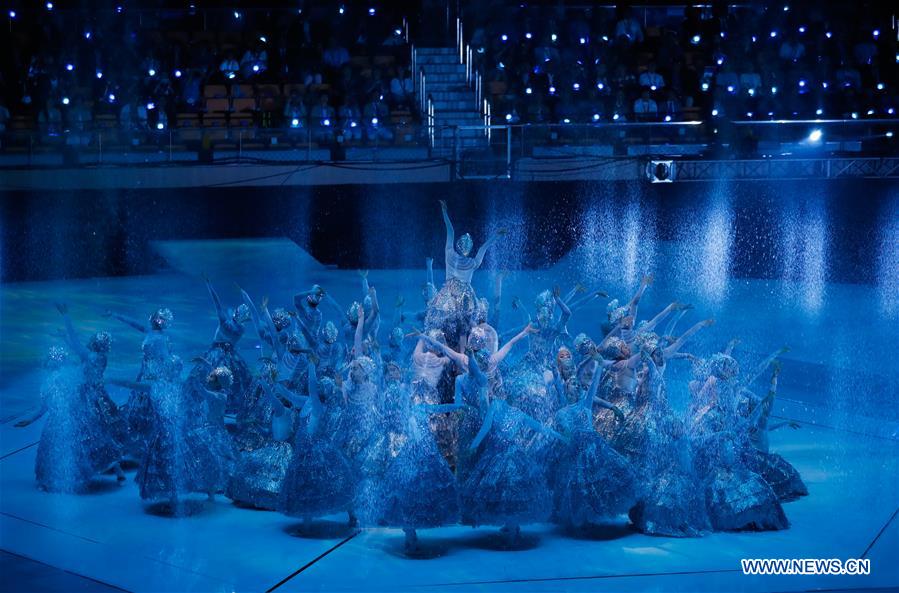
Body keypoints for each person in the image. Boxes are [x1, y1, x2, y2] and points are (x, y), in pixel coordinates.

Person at [18, 306, 126, 492]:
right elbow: (76, 353)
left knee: (89, 435)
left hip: (87, 401)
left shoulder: (91, 358)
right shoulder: (99, 357)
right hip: (91, 397)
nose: (89, 341)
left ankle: (80, 472)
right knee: (97, 435)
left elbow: (76, 344)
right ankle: (115, 469)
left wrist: (66, 315)